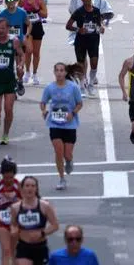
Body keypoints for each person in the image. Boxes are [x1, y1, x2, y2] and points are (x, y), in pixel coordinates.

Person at [41, 61, 84, 190]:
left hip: (70, 125)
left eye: (61, 70)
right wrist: (43, 111)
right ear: (54, 73)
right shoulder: (50, 88)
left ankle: (69, 161)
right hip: (54, 124)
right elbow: (43, 102)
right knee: (58, 152)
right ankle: (61, 179)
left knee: (67, 155)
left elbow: (80, 103)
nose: (59, 73)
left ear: (65, 73)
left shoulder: (73, 87)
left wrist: (73, 113)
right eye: (57, 70)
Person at [0, 17, 26, 145]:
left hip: (9, 81)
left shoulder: (14, 42)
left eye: (4, 28)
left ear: (8, 29)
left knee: (8, 109)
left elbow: (22, 54)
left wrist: (20, 65)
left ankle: (6, 134)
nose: (1, 31)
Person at [9, 176, 60, 265]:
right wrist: (14, 230)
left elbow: (55, 225)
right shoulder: (15, 208)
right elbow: (13, 224)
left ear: (36, 188)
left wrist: (42, 233)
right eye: (27, 186)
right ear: (22, 188)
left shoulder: (45, 206)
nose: (30, 188)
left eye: (33, 186)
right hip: (23, 247)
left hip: (40, 247)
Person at [67, 0, 105, 93]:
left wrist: (101, 28)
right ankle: (82, 85)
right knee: (81, 64)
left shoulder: (96, 11)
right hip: (81, 41)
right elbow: (68, 25)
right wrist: (78, 30)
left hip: (93, 40)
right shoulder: (79, 12)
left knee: (94, 63)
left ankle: (91, 84)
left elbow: (99, 23)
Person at [0, 157, 22, 265]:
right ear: (2, 175)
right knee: (6, 250)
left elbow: (26, 201)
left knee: (14, 251)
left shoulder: (19, 185)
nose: (8, 180)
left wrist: (14, 199)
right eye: (6, 178)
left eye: (11, 177)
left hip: (16, 221)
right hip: (2, 220)